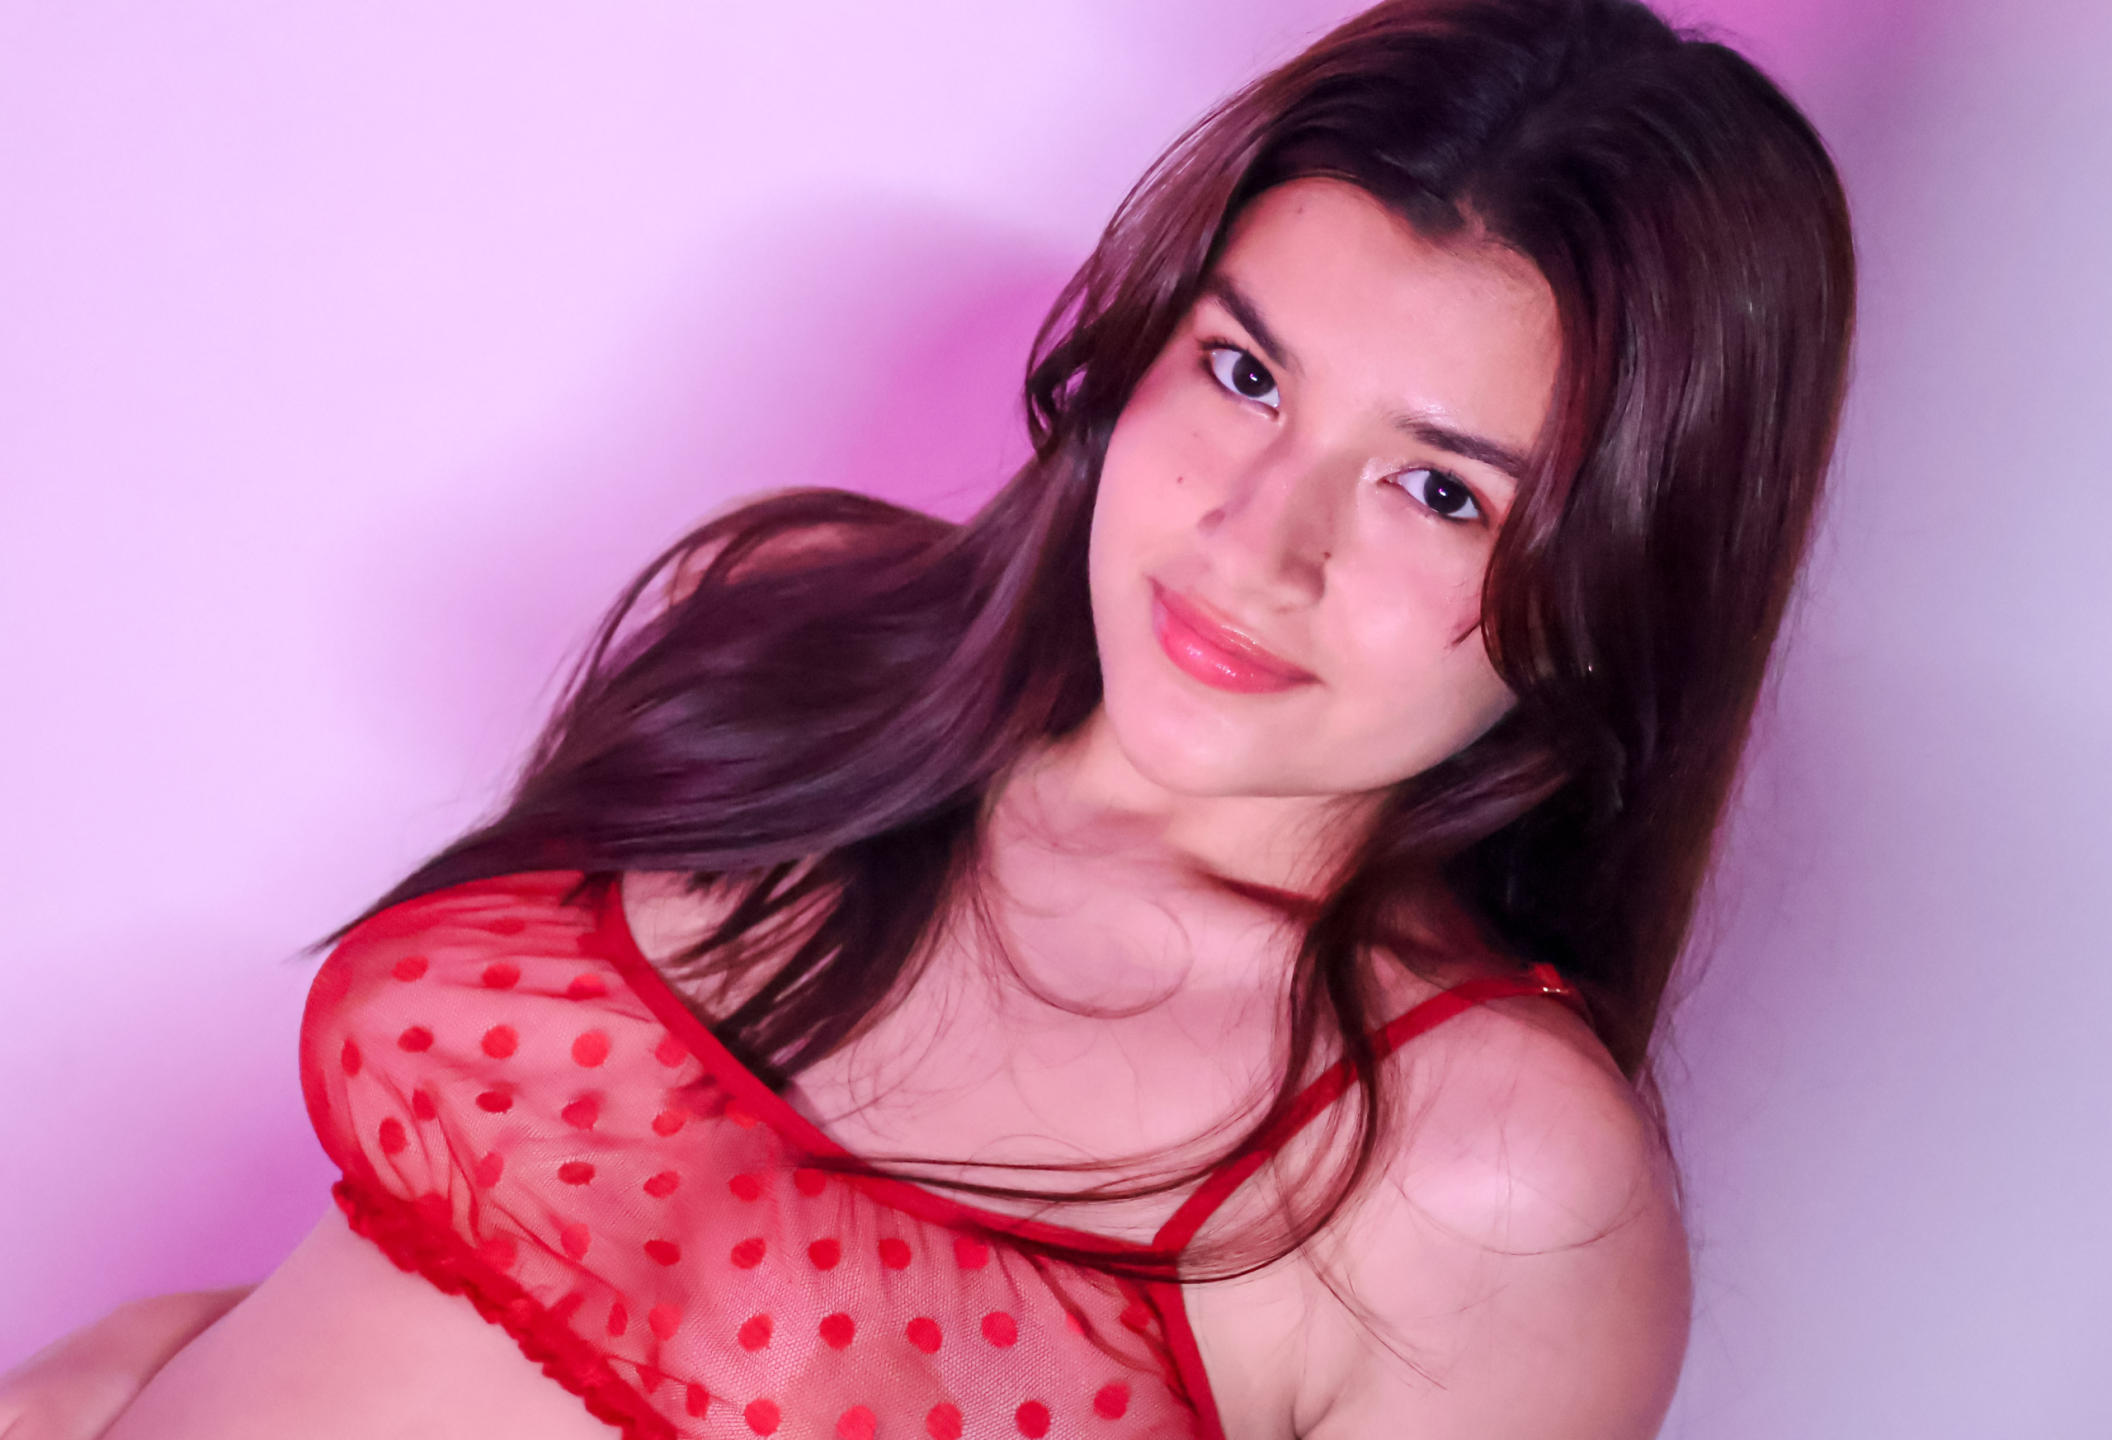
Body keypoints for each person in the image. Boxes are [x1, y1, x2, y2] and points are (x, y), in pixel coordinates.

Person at [0, 0, 1855, 1435]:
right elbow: (389, 1295)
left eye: (1438, 491)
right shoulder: (815, 650)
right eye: (1243, 373)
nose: (1254, 541)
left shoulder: (1489, 1180)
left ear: (1624, 582)